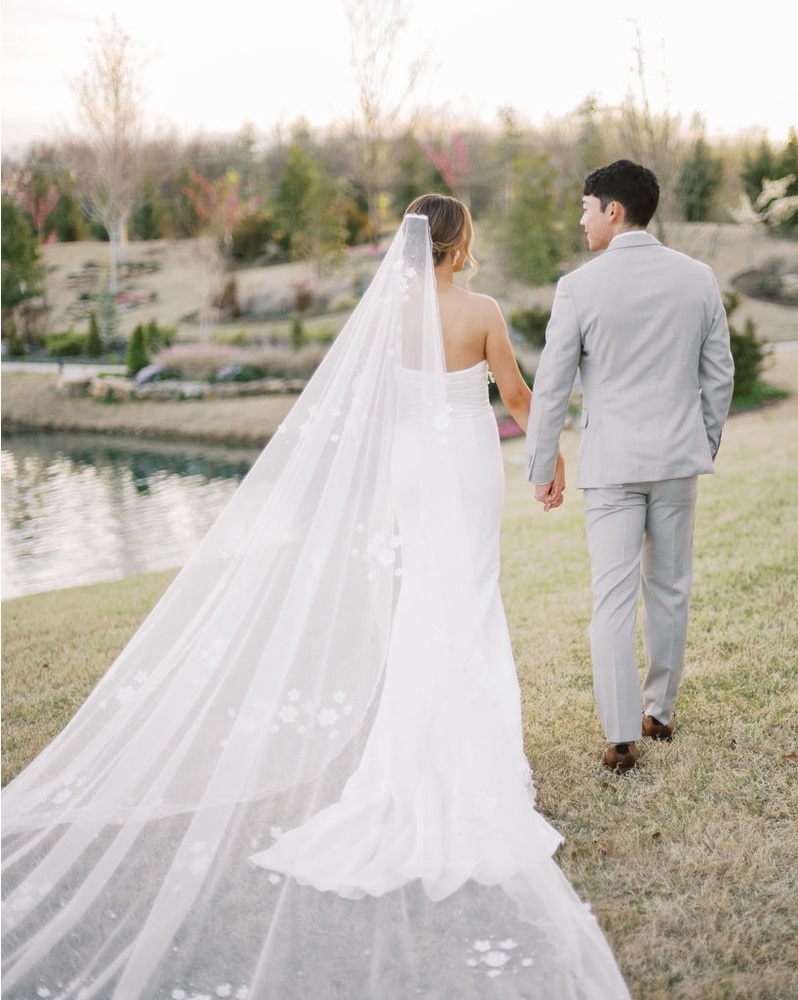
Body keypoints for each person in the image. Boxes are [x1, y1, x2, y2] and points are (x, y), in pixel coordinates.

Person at [1, 199, 629, 999]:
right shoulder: (481, 310)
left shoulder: (385, 318)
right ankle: (472, 757)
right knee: (467, 600)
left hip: (411, 466)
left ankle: (421, 757)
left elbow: (360, 413)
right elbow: (512, 393)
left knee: (425, 603)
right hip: (466, 467)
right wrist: (549, 460)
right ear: (460, 241)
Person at [526, 160, 735, 773]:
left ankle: (621, 738)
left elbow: (551, 386)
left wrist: (542, 463)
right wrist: (703, 444)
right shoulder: (698, 278)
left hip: (612, 467)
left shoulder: (579, 287)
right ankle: (660, 712)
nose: (582, 220)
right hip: (677, 460)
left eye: (587, 208)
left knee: (612, 599)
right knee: (669, 587)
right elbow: (718, 377)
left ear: (613, 210)